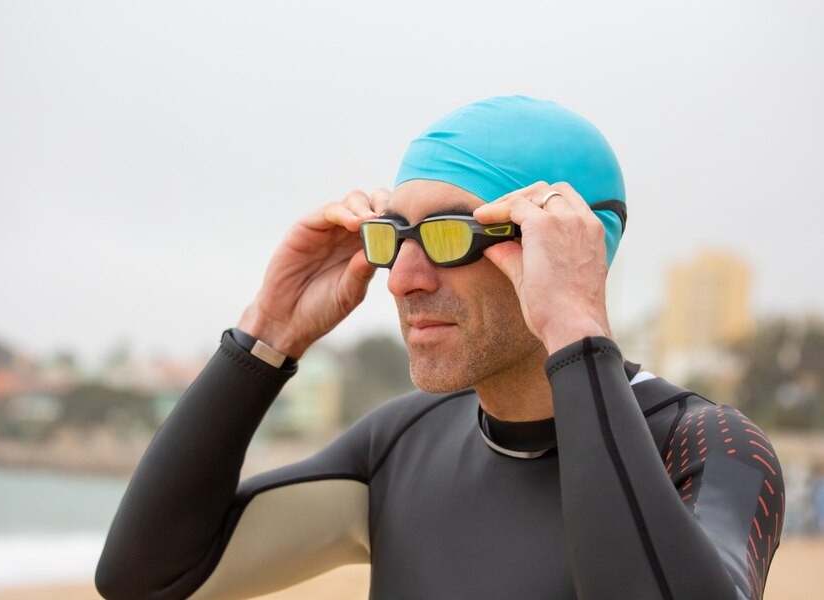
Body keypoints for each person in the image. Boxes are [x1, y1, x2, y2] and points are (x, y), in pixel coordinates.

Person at [95, 96, 783, 600]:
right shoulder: (402, 444)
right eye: (393, 236)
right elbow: (145, 577)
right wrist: (268, 331)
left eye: (449, 235)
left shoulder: (708, 448)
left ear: (569, 245)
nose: (401, 280)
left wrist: (573, 321)